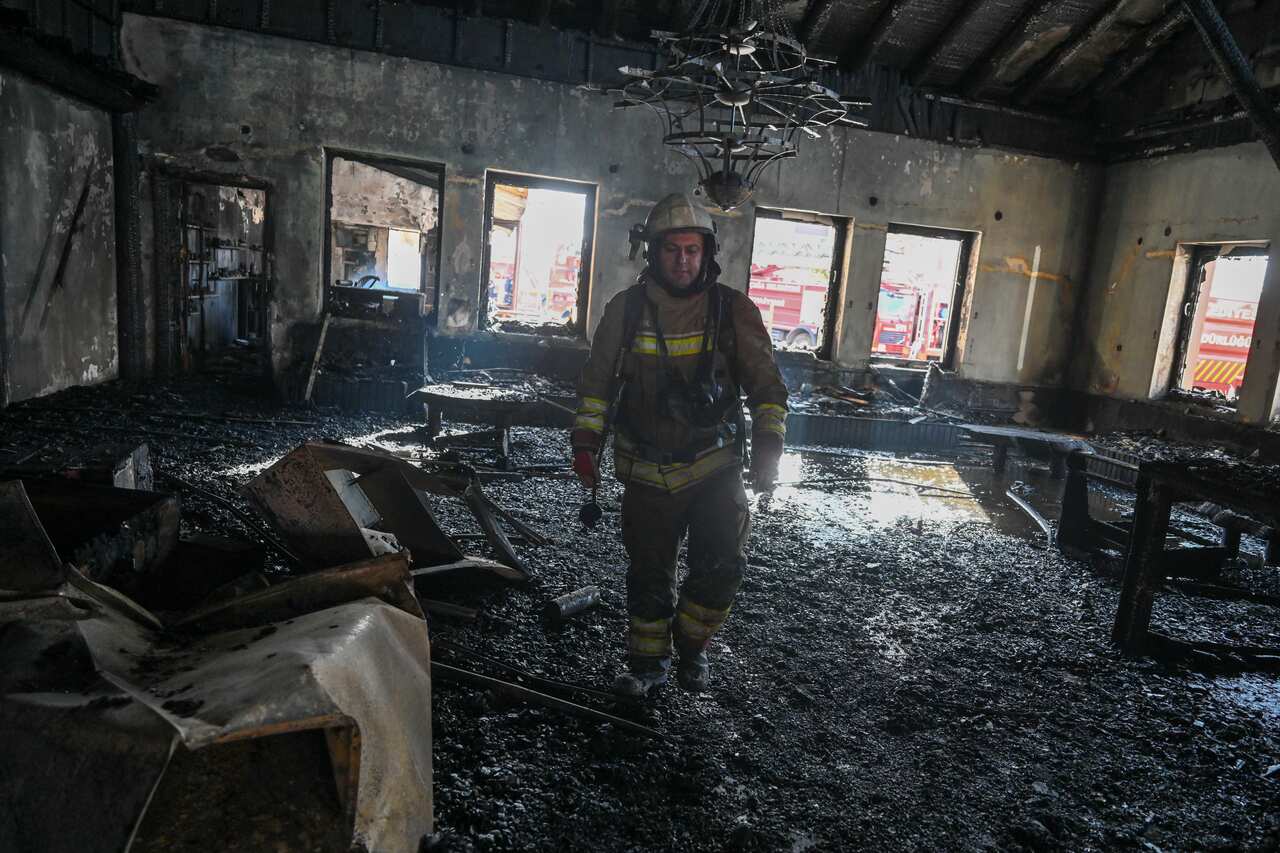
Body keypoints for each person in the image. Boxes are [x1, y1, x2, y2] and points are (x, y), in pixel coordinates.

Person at [570, 192, 788, 697]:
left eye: (692, 250)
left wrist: (769, 449)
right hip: (647, 471)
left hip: (717, 468)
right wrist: (585, 445)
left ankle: (690, 649)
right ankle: (648, 666)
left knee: (721, 569)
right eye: (672, 250)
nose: (683, 260)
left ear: (707, 253)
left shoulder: (735, 311)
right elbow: (596, 389)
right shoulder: (624, 312)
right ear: (653, 253)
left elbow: (767, 390)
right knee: (648, 576)